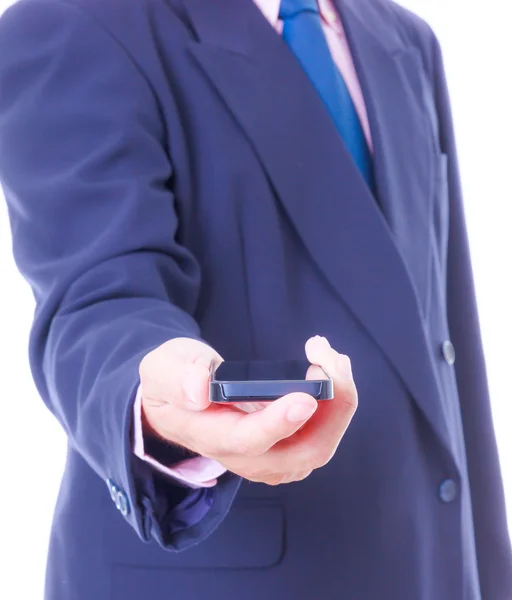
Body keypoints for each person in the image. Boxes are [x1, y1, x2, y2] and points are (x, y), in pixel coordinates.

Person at [0, 0, 510, 597]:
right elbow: (96, 299)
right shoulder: (72, 22)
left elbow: (448, 352)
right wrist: (154, 400)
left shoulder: (404, 38)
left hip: (428, 571)